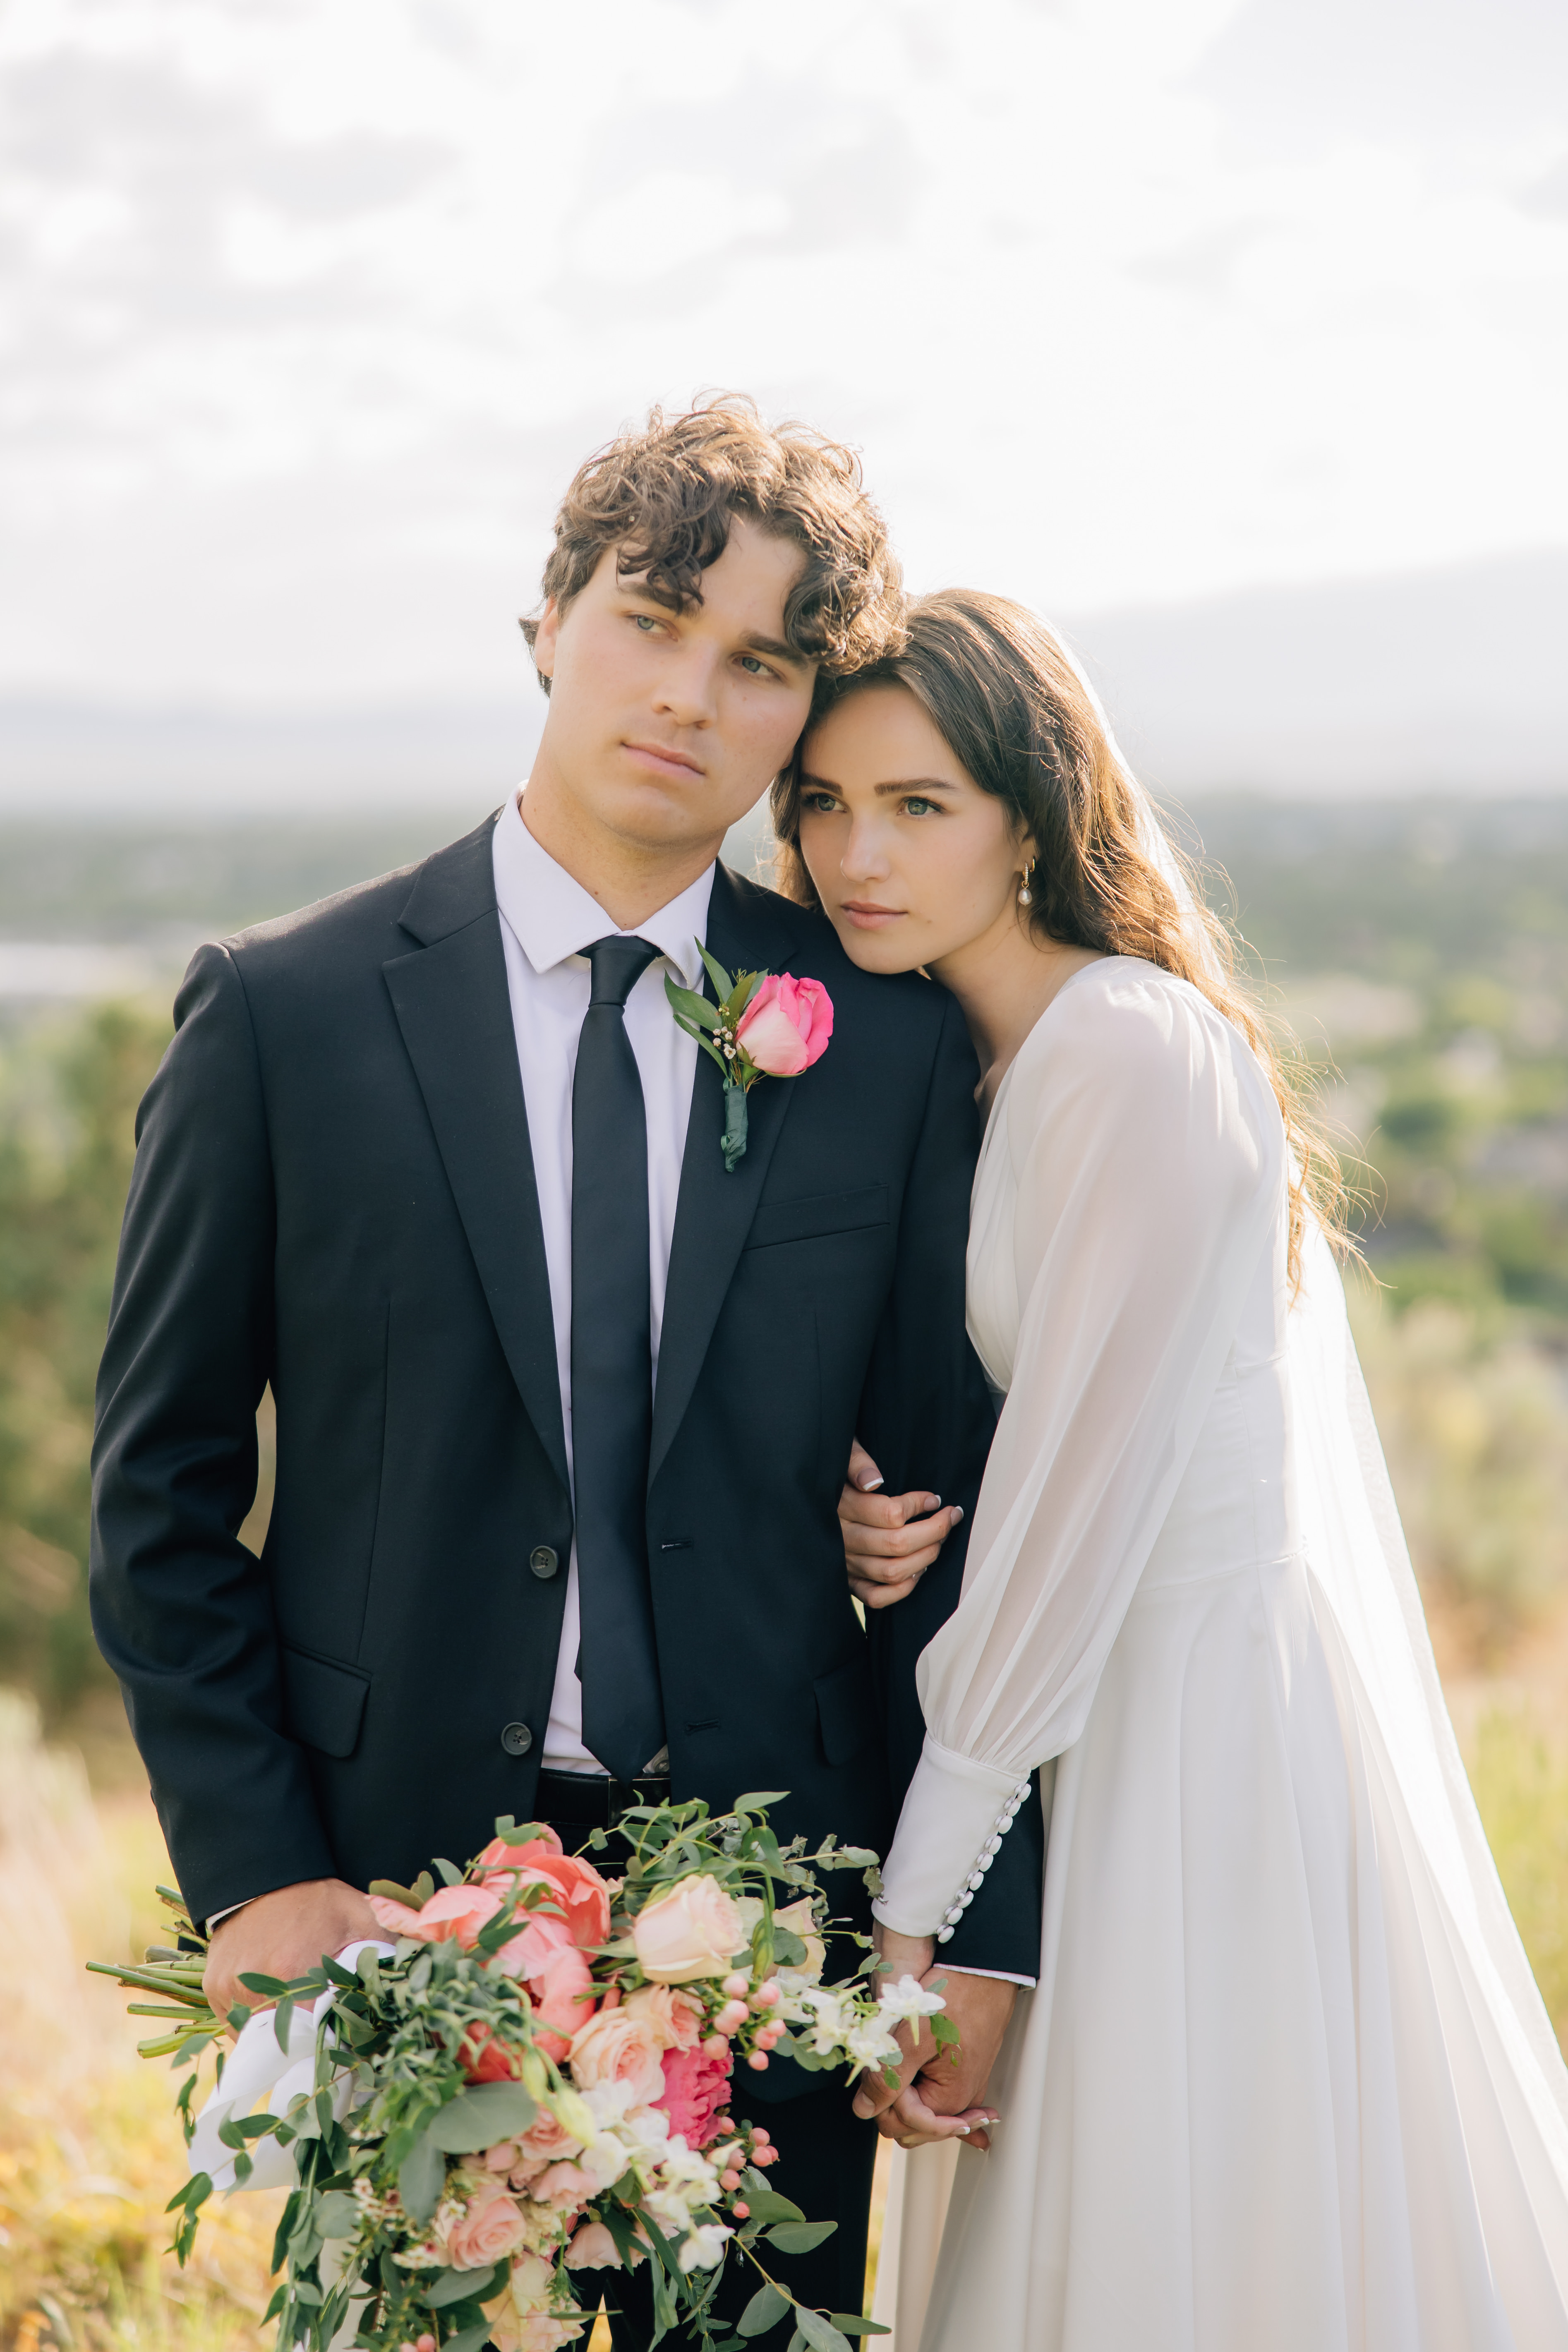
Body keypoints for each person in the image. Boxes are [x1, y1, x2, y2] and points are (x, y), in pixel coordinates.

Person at [88, 401, 1046, 2340]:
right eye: (652, 618)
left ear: (800, 716)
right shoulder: (280, 1018)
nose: (688, 694)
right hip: (392, 1907)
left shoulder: (882, 1045)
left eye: (760, 664)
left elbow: (982, 1526)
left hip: (785, 1915)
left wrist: (988, 1936)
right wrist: (257, 1883)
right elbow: (160, 1495)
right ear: (546, 621)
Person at [782, 590, 1568, 2350]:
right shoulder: (971, 1065)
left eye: (919, 804)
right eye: (826, 803)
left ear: (1033, 812)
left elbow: (1073, 1519)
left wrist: (922, 1921)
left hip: (1184, 1741)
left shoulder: (1129, 1053)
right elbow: (1023, 1438)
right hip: (1080, 1718)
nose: (857, 853)